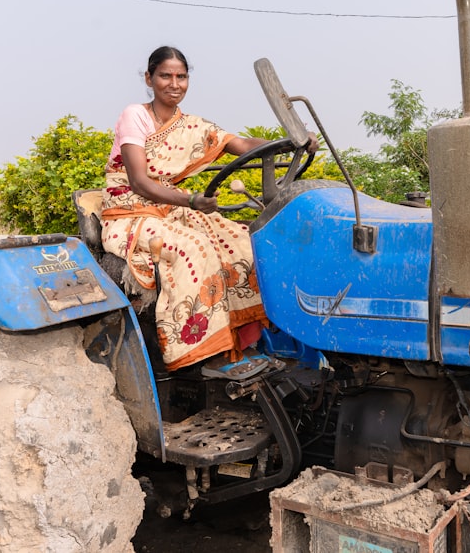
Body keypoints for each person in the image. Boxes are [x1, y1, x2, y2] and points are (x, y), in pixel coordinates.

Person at [100, 46, 315, 370]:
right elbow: (140, 183)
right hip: (132, 212)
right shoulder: (136, 116)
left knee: (245, 238)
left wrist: (292, 140)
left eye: (181, 76)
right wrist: (190, 201)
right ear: (149, 78)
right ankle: (206, 352)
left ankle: (249, 341)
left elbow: (241, 145)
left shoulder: (193, 126)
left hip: (171, 209)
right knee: (194, 247)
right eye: (165, 76)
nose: (175, 83)